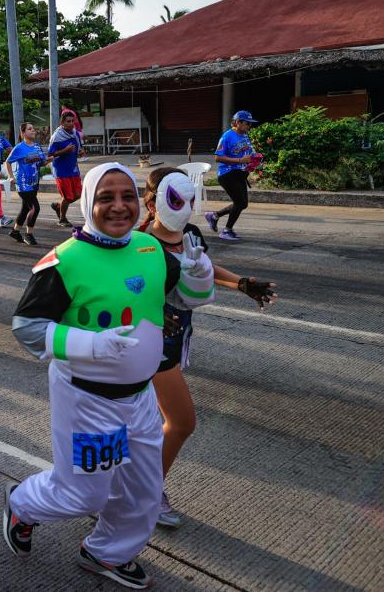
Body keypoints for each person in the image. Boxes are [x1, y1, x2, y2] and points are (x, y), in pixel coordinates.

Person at [2, 162, 216, 589]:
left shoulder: (150, 249)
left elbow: (188, 299)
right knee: (86, 494)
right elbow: (26, 327)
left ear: (141, 203)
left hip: (139, 398)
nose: (119, 207)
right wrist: (89, 345)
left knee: (144, 489)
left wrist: (198, 272)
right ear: (87, 202)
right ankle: (22, 505)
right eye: (106, 197)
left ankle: (106, 552)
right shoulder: (65, 260)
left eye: (127, 197)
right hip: (88, 401)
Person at [139, 167, 277, 528]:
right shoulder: (140, 245)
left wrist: (242, 284)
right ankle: (146, 495)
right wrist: (149, 316)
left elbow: (203, 266)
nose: (184, 205)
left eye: (190, 197)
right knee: (181, 422)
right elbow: (121, 290)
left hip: (177, 334)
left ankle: (133, 487)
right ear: (151, 202)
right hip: (152, 343)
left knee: (152, 422)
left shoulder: (190, 234)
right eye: (175, 198)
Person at [207, 110, 257, 241]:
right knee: (239, 202)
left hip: (240, 173)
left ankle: (214, 216)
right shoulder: (227, 136)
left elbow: (249, 152)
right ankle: (227, 230)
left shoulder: (245, 136)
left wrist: (255, 159)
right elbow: (218, 157)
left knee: (243, 204)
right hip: (227, 174)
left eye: (250, 124)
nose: (249, 127)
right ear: (238, 122)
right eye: (247, 124)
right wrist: (240, 161)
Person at [5, 122, 50, 246]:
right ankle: (28, 235)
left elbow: (41, 163)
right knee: (35, 208)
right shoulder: (19, 148)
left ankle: (15, 231)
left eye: (33, 128)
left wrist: (48, 161)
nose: (33, 130)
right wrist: (10, 177)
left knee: (26, 208)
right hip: (23, 183)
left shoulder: (37, 146)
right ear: (23, 133)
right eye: (30, 129)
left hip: (34, 182)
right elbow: (8, 162)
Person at [49, 109, 85, 227]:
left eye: (72, 121)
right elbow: (51, 154)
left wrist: (80, 152)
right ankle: (62, 218)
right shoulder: (57, 136)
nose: (71, 123)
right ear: (62, 123)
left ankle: (59, 207)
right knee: (68, 196)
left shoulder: (74, 133)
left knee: (79, 194)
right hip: (61, 170)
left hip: (73, 168)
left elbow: (77, 148)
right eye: (68, 121)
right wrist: (65, 150)